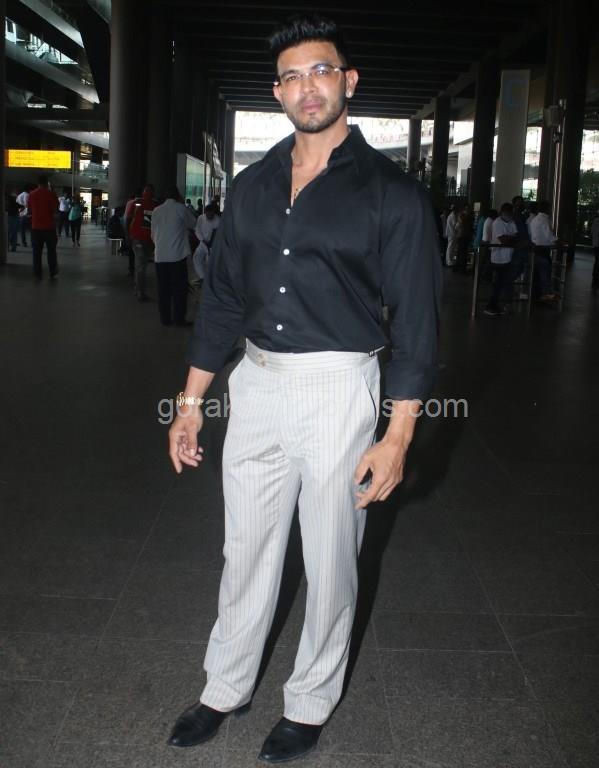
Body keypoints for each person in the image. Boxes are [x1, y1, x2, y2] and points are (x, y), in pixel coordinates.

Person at [166, 14, 442, 764]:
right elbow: (223, 300)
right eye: (291, 76)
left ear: (348, 81)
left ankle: (310, 701)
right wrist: (190, 403)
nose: (307, 87)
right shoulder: (252, 187)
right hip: (255, 382)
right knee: (245, 549)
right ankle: (224, 687)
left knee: (330, 558)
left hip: (339, 387)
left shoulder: (393, 195)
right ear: (277, 92)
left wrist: (397, 436)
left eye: (321, 71)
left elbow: (417, 324)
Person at [151, 186, 197, 326]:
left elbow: (153, 234)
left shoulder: (156, 210)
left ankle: (165, 319)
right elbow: (193, 223)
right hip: (177, 256)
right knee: (179, 290)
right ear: (178, 196)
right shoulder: (180, 208)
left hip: (160, 256)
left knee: (163, 290)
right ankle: (178, 319)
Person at [484, 202, 518, 316]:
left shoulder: (511, 222)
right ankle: (491, 305)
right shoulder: (497, 223)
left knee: (503, 283)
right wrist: (511, 239)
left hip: (508, 257)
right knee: (499, 283)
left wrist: (510, 239)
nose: (509, 215)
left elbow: (515, 237)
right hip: (498, 258)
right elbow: (504, 240)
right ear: (502, 212)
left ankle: (497, 305)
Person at [126, 184, 157, 301]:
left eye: (150, 190)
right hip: (138, 238)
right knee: (141, 265)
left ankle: (138, 289)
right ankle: (140, 292)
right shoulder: (136, 203)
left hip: (149, 240)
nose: (148, 192)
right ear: (143, 191)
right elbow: (128, 218)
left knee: (142, 265)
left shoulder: (155, 205)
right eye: (146, 190)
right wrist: (128, 235)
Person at [28, 174, 59, 280]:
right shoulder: (51, 194)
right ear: (46, 183)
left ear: (38, 183)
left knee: (36, 251)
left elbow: (29, 210)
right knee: (51, 250)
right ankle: (52, 270)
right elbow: (55, 210)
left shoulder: (32, 194)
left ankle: (37, 272)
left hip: (36, 227)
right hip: (49, 227)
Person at [529, 200, 561, 301]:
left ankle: (536, 295)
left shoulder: (534, 220)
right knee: (545, 272)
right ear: (546, 208)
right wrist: (559, 241)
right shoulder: (544, 220)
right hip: (543, 250)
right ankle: (546, 293)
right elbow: (549, 236)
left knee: (536, 274)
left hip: (536, 249)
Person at [192, 203, 220, 282]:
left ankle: (211, 280)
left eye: (211, 215)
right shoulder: (201, 218)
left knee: (210, 263)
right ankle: (202, 277)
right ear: (205, 213)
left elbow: (218, 234)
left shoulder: (218, 220)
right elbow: (197, 230)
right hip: (203, 243)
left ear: (214, 213)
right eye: (208, 215)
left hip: (213, 245)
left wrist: (211, 243)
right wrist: (202, 240)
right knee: (197, 258)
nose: (209, 216)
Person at [591, 212, 599, 291]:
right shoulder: (596, 221)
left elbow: (593, 232)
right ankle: (596, 277)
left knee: (597, 261)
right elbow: (595, 232)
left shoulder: (595, 220)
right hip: (597, 244)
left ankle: (595, 276)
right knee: (597, 261)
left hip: (596, 244)